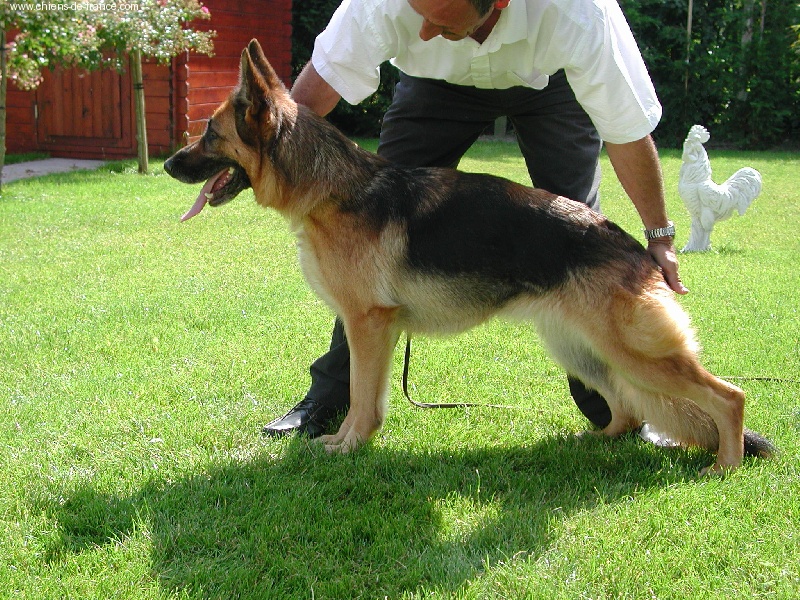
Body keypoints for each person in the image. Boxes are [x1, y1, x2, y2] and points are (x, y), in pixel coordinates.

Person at [262, 0, 688, 438]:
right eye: (418, 14)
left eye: (439, 19)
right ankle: (330, 401)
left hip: (551, 86)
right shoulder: (381, 5)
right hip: (434, 84)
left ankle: (625, 406)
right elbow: (307, 101)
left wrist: (659, 235)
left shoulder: (579, 13)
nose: (423, 30)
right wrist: (264, 147)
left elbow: (627, 130)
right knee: (364, 233)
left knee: (577, 240)